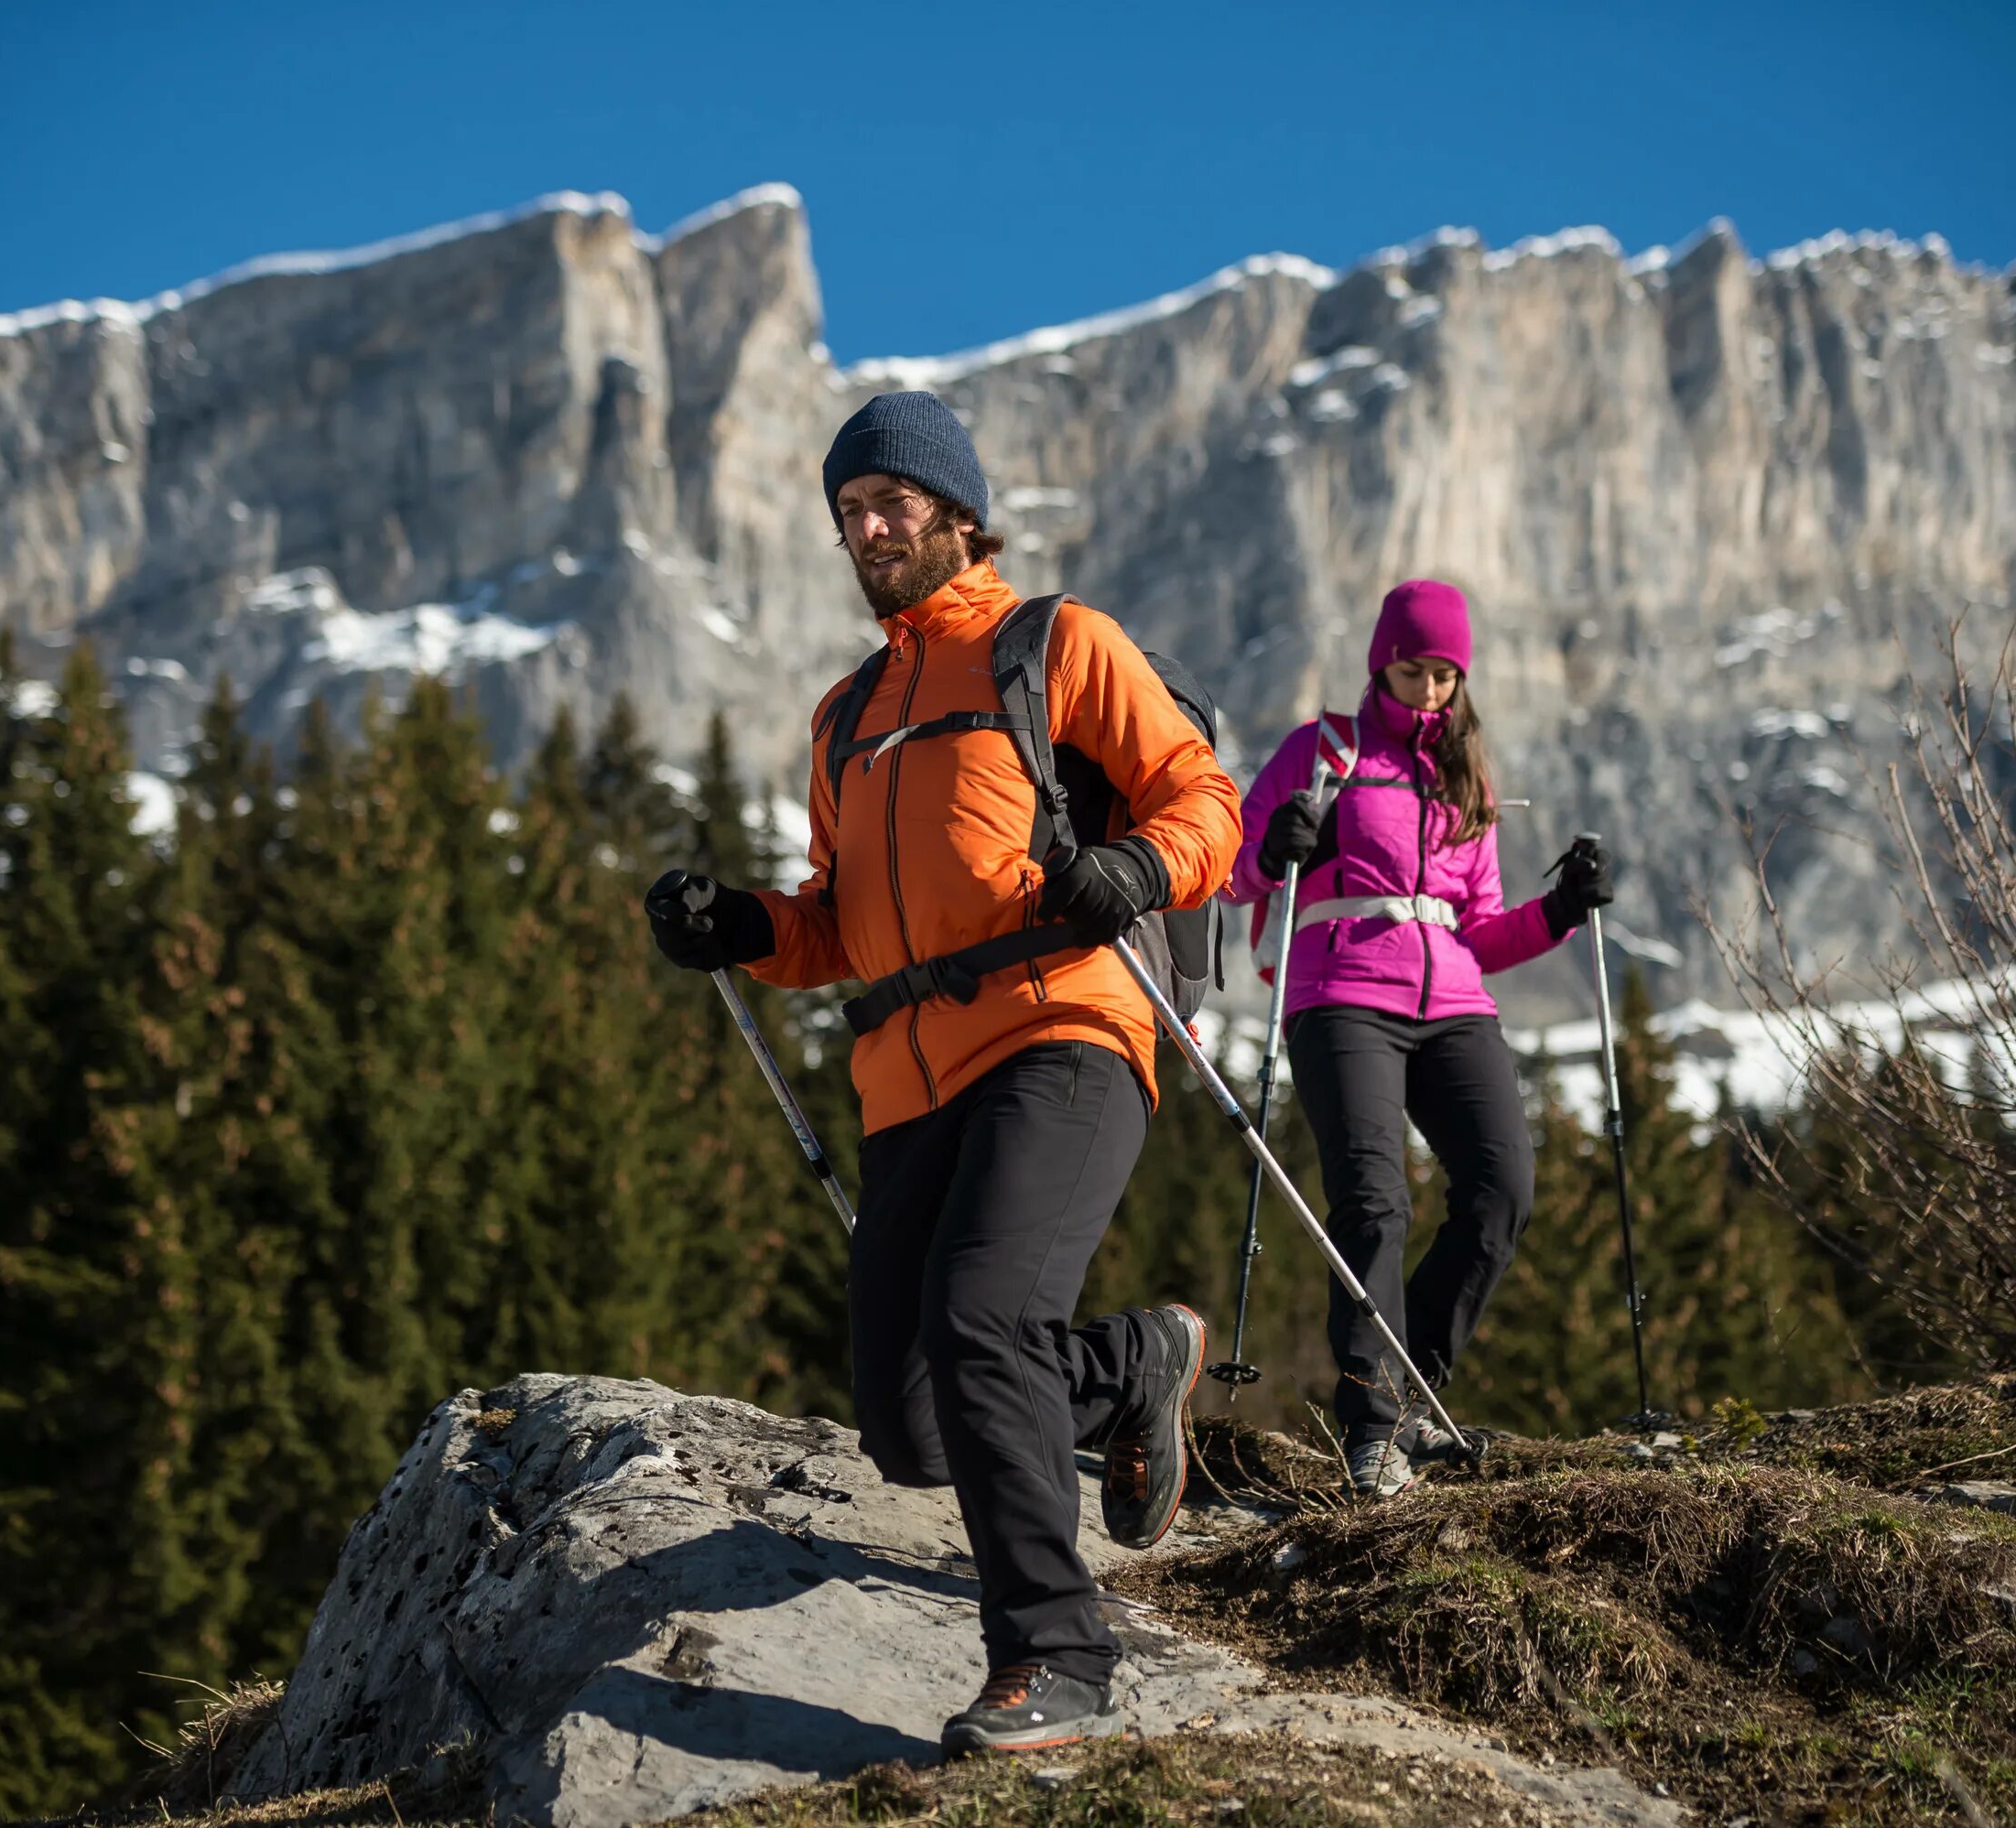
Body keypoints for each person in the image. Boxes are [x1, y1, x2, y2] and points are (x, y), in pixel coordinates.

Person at [643, 391, 1243, 1755]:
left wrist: (1137, 865)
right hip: (909, 1081)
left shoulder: (1055, 645)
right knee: (911, 1426)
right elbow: (836, 922)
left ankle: (1058, 1655)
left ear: (957, 512)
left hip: (1064, 1030)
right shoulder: (845, 714)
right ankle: (1141, 1357)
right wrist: (740, 926)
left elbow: (1207, 800)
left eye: (891, 504)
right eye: (849, 512)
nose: (868, 528)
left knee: (985, 1321)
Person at [1226, 579, 1613, 1497]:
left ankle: (1408, 1393)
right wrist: (1279, 842)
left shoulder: (1466, 775)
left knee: (1500, 1188)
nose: (1430, 690)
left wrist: (1558, 911)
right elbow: (1237, 873)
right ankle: (1370, 1427)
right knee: (1375, 1202)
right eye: (1414, 670)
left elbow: (1477, 926)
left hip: (1453, 999)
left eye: (1446, 674)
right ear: (1380, 662)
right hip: (1340, 987)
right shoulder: (1320, 751)